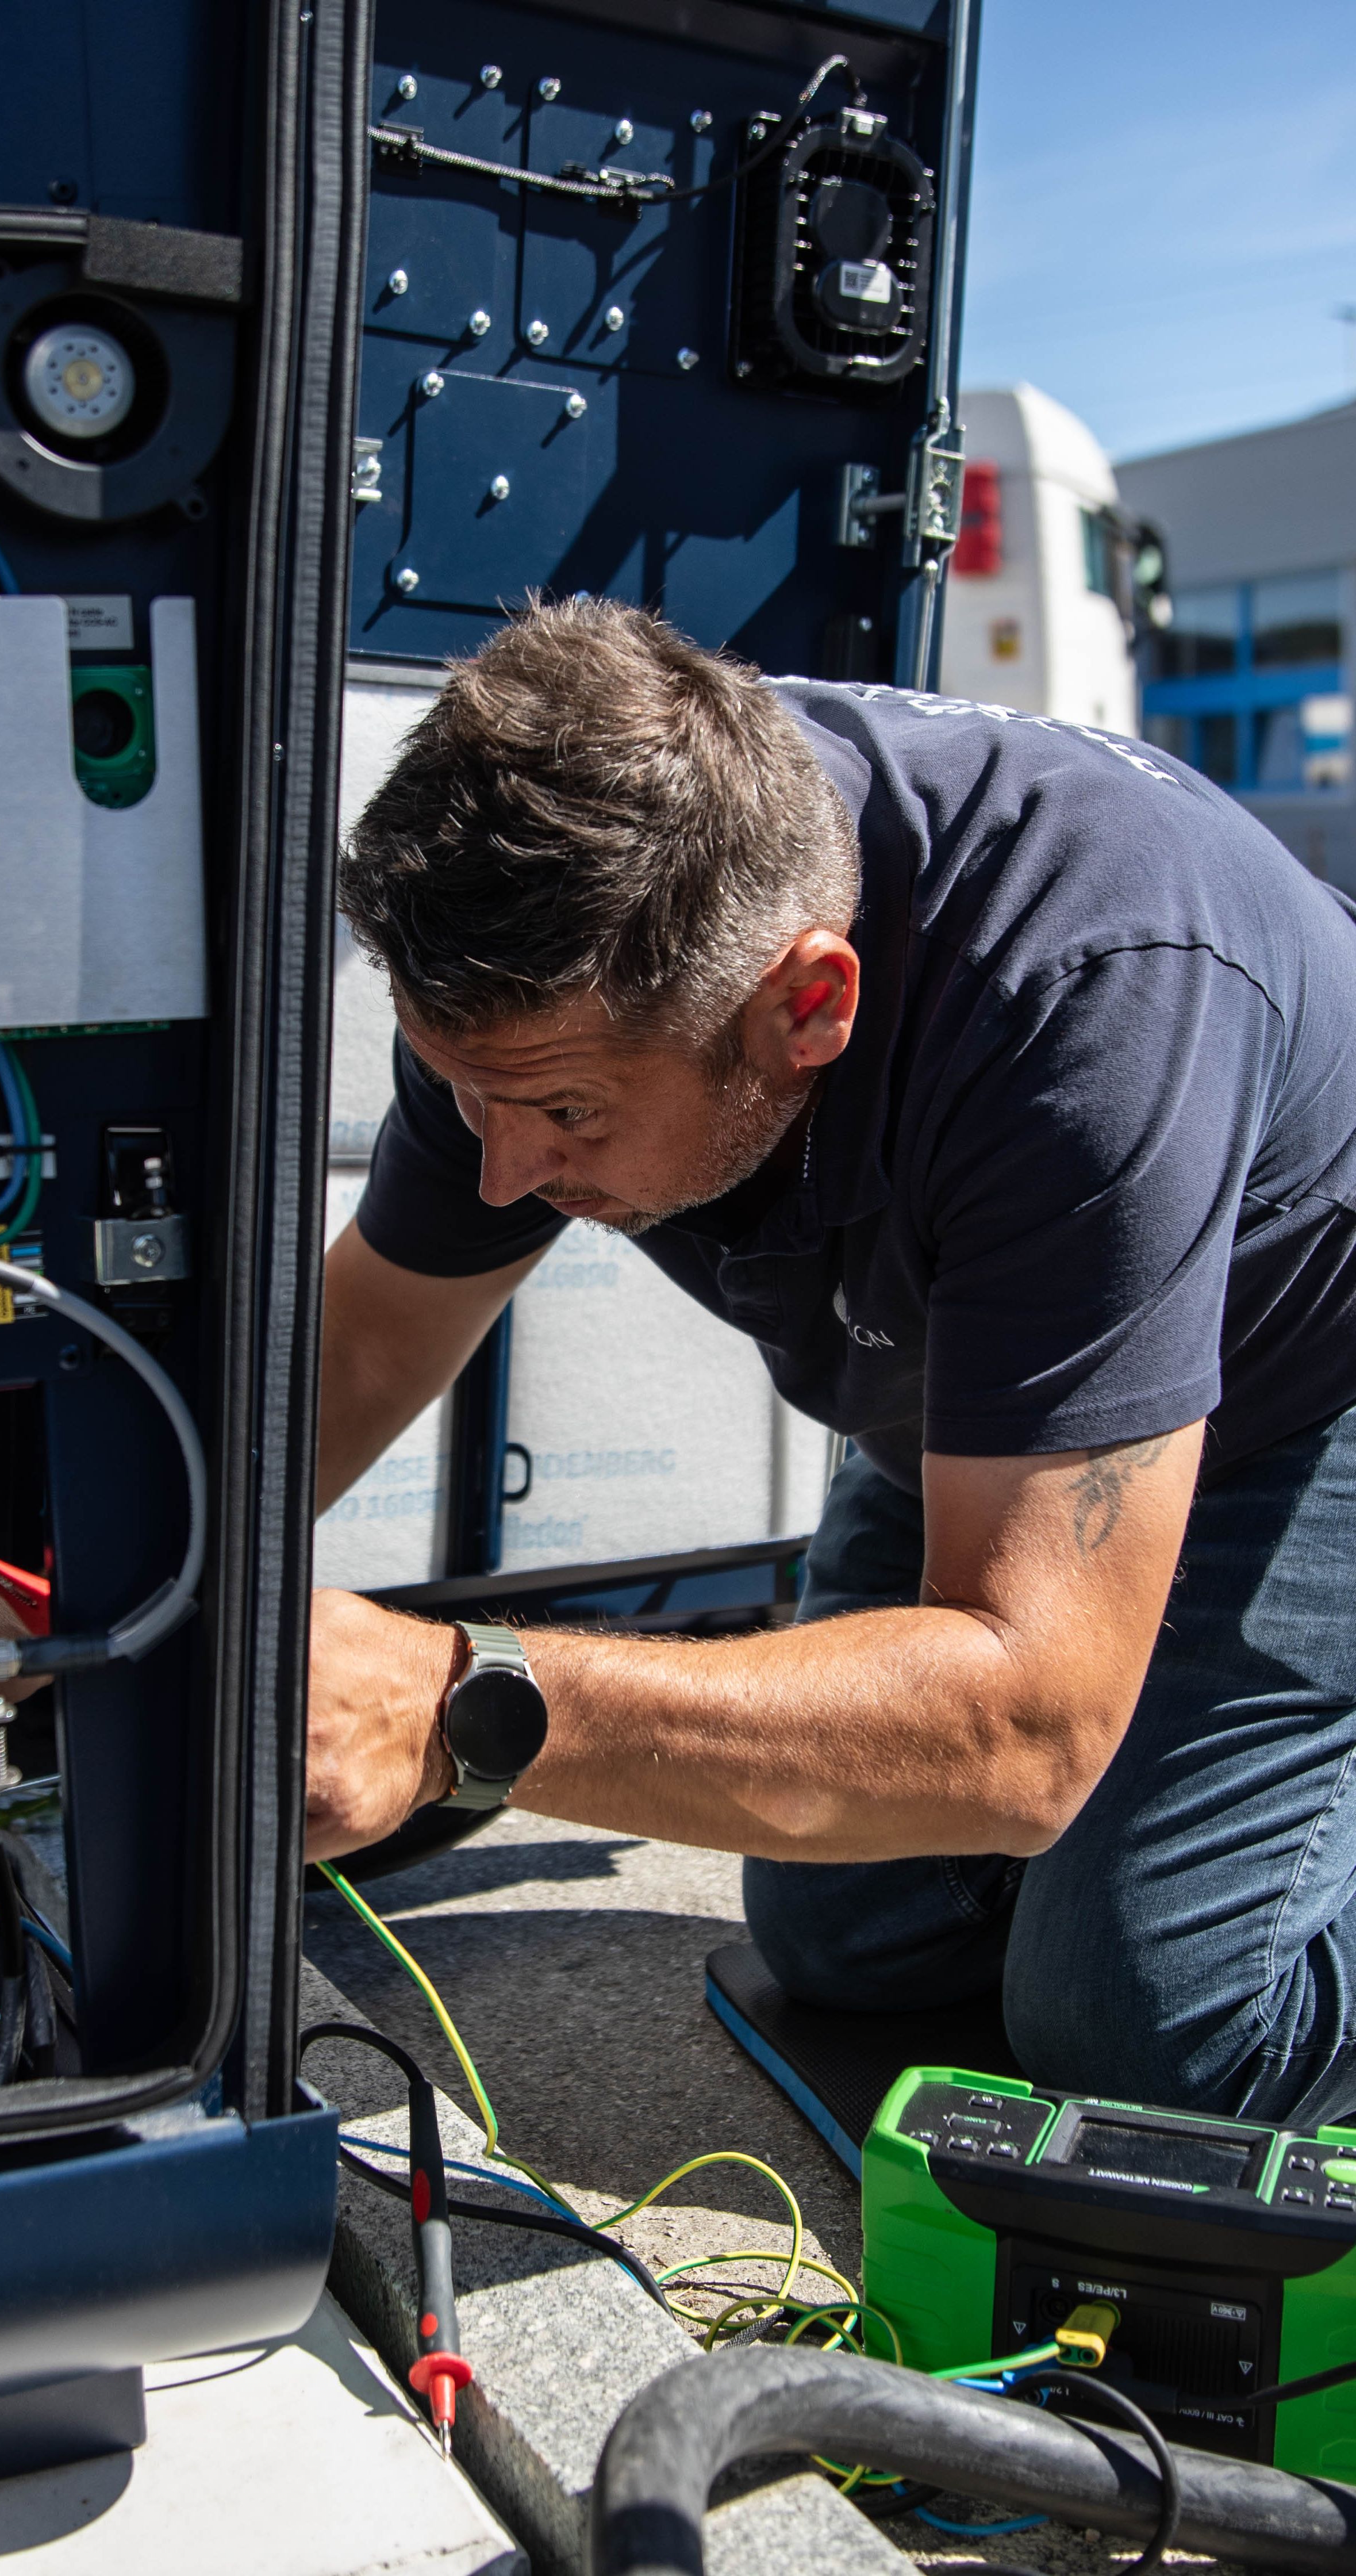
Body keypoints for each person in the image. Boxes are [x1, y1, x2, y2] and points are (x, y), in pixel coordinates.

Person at [306, 595, 1356, 2126]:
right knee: (847, 1931)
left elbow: (1027, 1727)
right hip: (978, 1376)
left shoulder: (1086, 1007)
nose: (501, 1172)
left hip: (1306, 1383)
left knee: (1156, 2036)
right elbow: (365, 1345)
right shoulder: (550, 945)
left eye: (570, 1115)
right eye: (464, 1092)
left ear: (810, 1004)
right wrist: (118, 1588)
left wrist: (461, 1703)